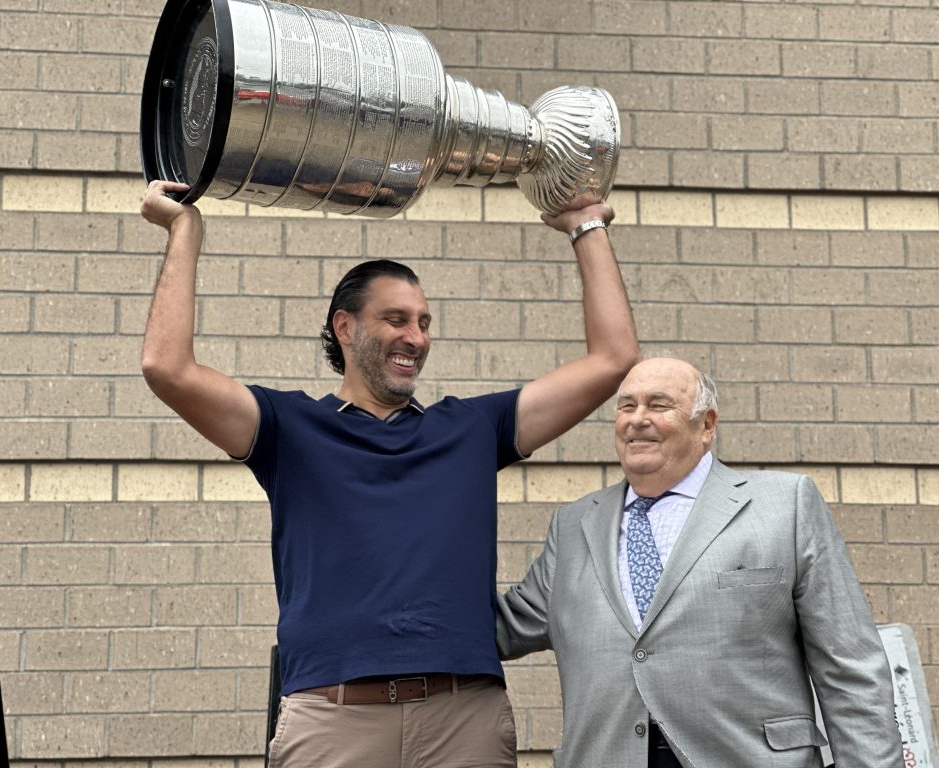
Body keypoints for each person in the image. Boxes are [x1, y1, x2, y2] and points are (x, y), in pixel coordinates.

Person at [139, 179, 639, 768]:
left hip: (464, 721)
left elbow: (613, 360)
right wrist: (183, 230)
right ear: (345, 328)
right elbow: (166, 366)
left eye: (425, 322)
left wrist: (586, 226)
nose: (416, 337)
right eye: (396, 319)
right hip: (333, 720)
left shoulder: (473, 429)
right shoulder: (288, 429)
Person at [496, 357, 901, 768]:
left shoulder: (785, 505)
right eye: (626, 406)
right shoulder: (573, 526)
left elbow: (850, 668)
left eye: (658, 405)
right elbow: (498, 629)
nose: (637, 420)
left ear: (706, 425)